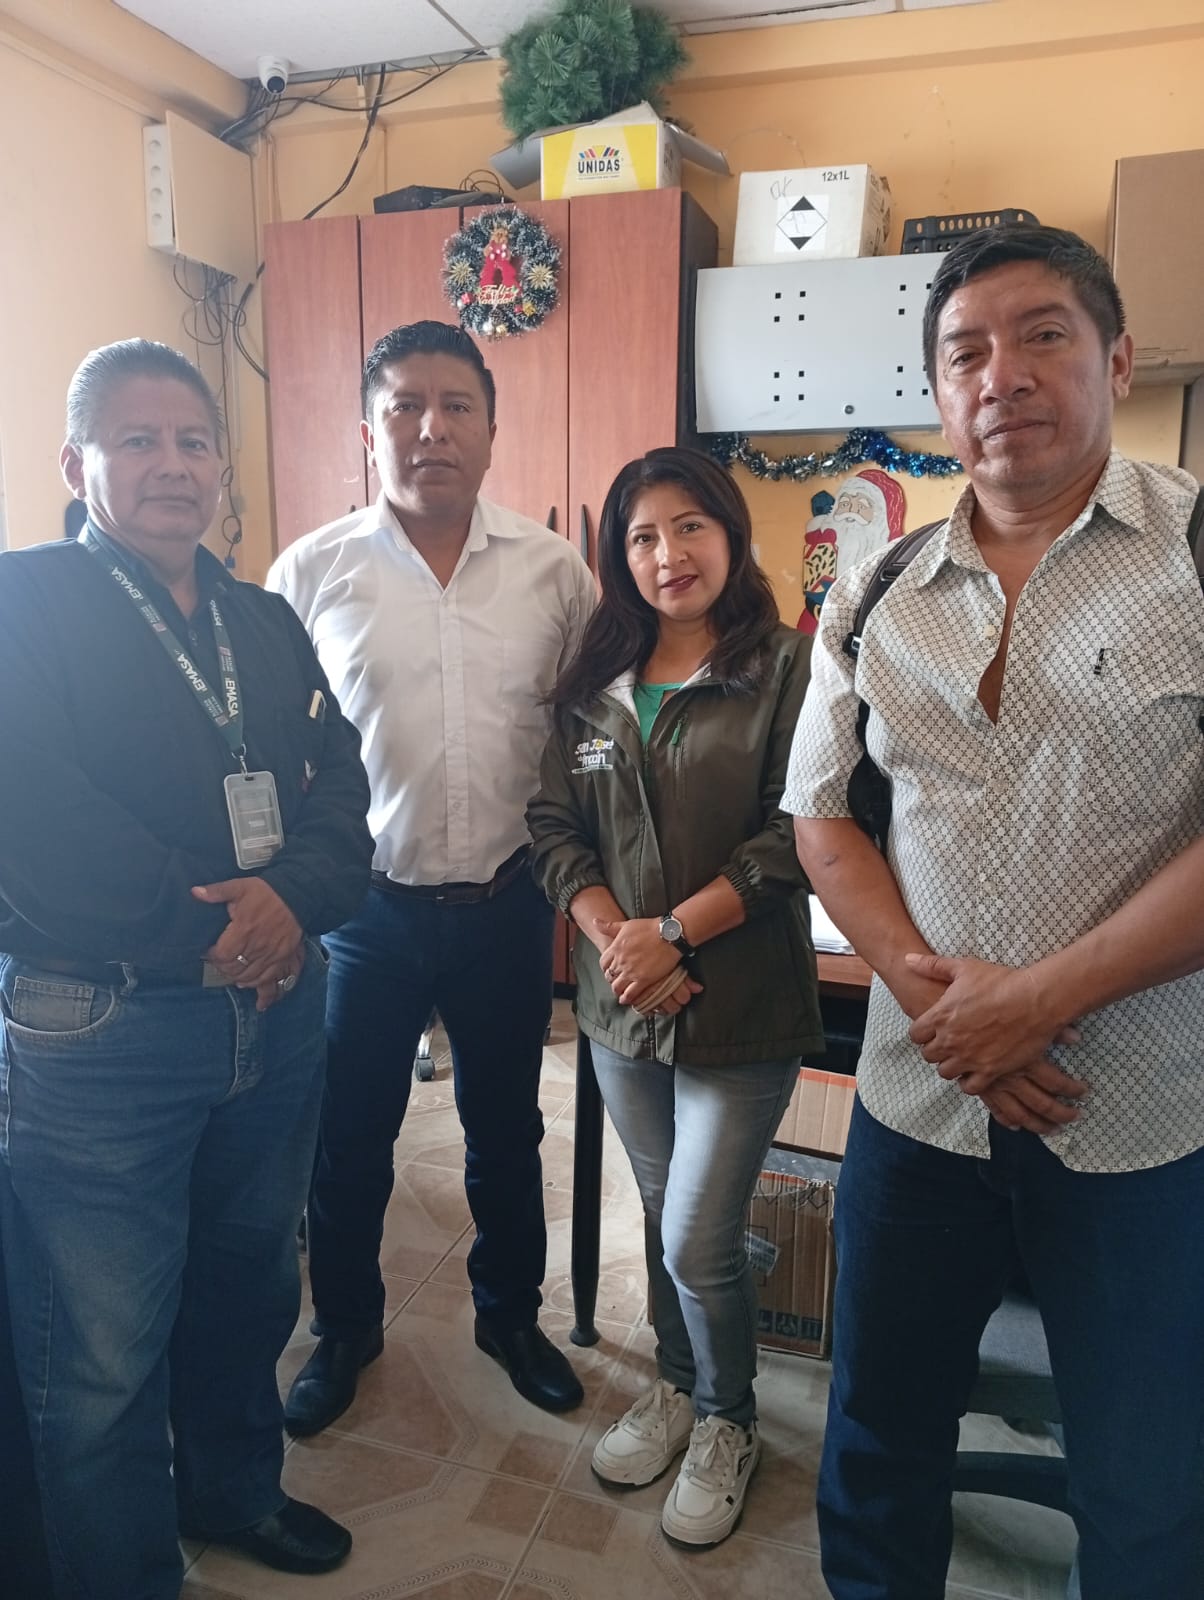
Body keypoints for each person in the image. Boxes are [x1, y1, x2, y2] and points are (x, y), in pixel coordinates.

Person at [784, 224, 1204, 1599]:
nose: (1000, 374)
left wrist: (1041, 1002)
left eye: (1042, 336)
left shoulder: (1195, 551)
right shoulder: (877, 586)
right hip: (921, 1101)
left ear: (1116, 361)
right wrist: (943, 1004)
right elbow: (821, 815)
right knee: (878, 1435)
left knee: (1148, 1479)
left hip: (1143, 1120)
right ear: (936, 393)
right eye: (965, 351)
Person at [0, 339, 374, 1600]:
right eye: (138, 440)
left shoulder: (263, 619)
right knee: (100, 1351)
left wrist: (292, 901)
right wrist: (216, 927)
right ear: (78, 465)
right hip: (103, 1032)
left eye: (194, 441)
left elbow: (341, 788)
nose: (173, 465)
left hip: (271, 1021)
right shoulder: (22, 602)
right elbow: (35, 820)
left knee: (248, 1287)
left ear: (223, 464)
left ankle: (234, 1489)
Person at [269, 319, 596, 1434]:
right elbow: (275, 749)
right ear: (369, 432)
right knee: (351, 1138)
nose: (431, 429)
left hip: (508, 905)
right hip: (364, 914)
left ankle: (509, 1317)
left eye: (456, 405)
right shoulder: (311, 572)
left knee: (506, 1133)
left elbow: (588, 734)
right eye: (404, 406)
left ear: (491, 429)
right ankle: (345, 1327)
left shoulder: (555, 572)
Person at [527, 446, 823, 1548]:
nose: (668, 554)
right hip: (621, 1009)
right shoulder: (592, 684)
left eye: (690, 526)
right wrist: (617, 938)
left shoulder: (785, 668)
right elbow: (553, 828)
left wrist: (674, 934)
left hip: (740, 1005)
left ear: (731, 536)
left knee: (698, 1234)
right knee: (666, 1217)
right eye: (643, 536)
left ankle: (727, 1417)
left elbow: (799, 833)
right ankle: (678, 1382)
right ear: (620, 556)